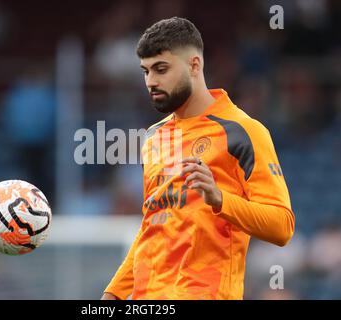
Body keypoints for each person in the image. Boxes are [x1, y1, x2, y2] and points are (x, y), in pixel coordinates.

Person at [101, 17, 295, 300]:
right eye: (145, 71)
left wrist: (220, 199)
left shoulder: (242, 131)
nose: (151, 82)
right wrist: (113, 295)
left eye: (161, 69)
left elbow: (282, 226)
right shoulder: (154, 137)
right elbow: (152, 229)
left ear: (194, 65)